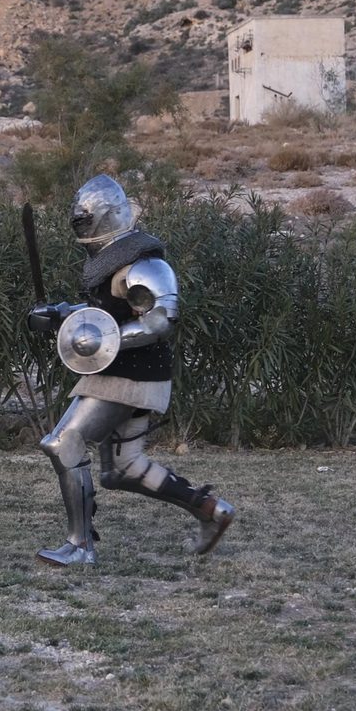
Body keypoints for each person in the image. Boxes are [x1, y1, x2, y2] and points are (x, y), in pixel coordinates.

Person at [25, 174, 235, 565]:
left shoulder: (146, 264)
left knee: (62, 442)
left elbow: (161, 321)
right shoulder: (112, 265)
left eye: (85, 219)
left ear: (106, 216)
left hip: (131, 375)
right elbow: (104, 314)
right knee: (122, 470)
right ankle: (211, 510)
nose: (81, 226)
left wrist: (104, 339)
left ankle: (80, 546)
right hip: (120, 373)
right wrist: (59, 315)